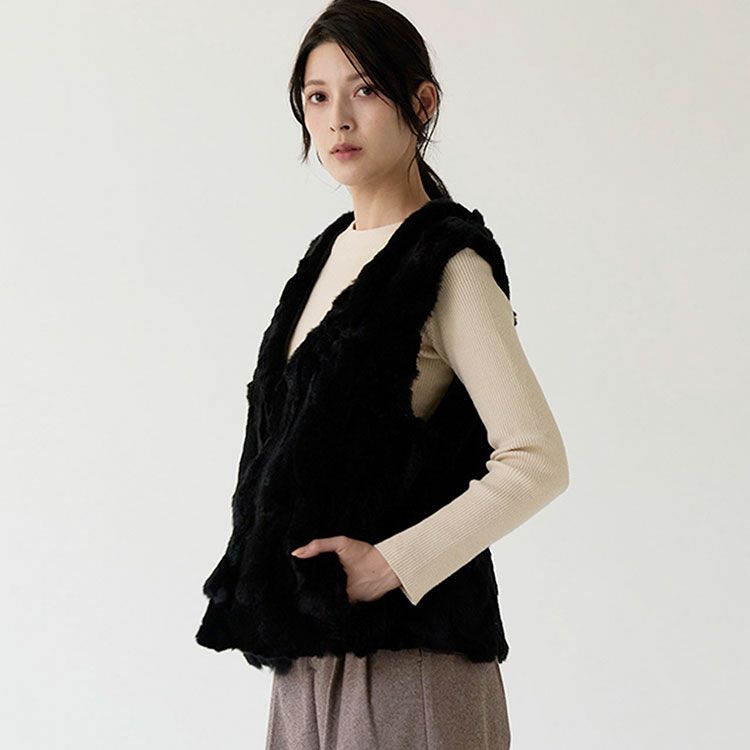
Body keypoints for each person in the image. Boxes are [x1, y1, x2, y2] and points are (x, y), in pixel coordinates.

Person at [199, 2, 569, 748]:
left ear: (421, 103)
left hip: (409, 664)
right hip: (305, 660)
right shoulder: (327, 256)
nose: (337, 118)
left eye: (364, 89)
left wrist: (389, 566)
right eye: (317, 96)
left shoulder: (447, 264)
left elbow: (537, 461)